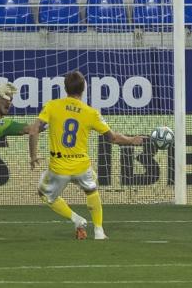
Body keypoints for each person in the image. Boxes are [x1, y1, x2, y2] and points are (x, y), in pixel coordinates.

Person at [28, 71, 144, 240]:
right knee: (91, 191)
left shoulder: (52, 106)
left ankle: (77, 219)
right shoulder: (91, 113)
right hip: (82, 165)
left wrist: (33, 155)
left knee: (44, 194)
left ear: (65, 88)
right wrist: (132, 140)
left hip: (59, 166)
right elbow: (113, 138)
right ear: (84, 89)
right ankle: (99, 231)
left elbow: (34, 130)